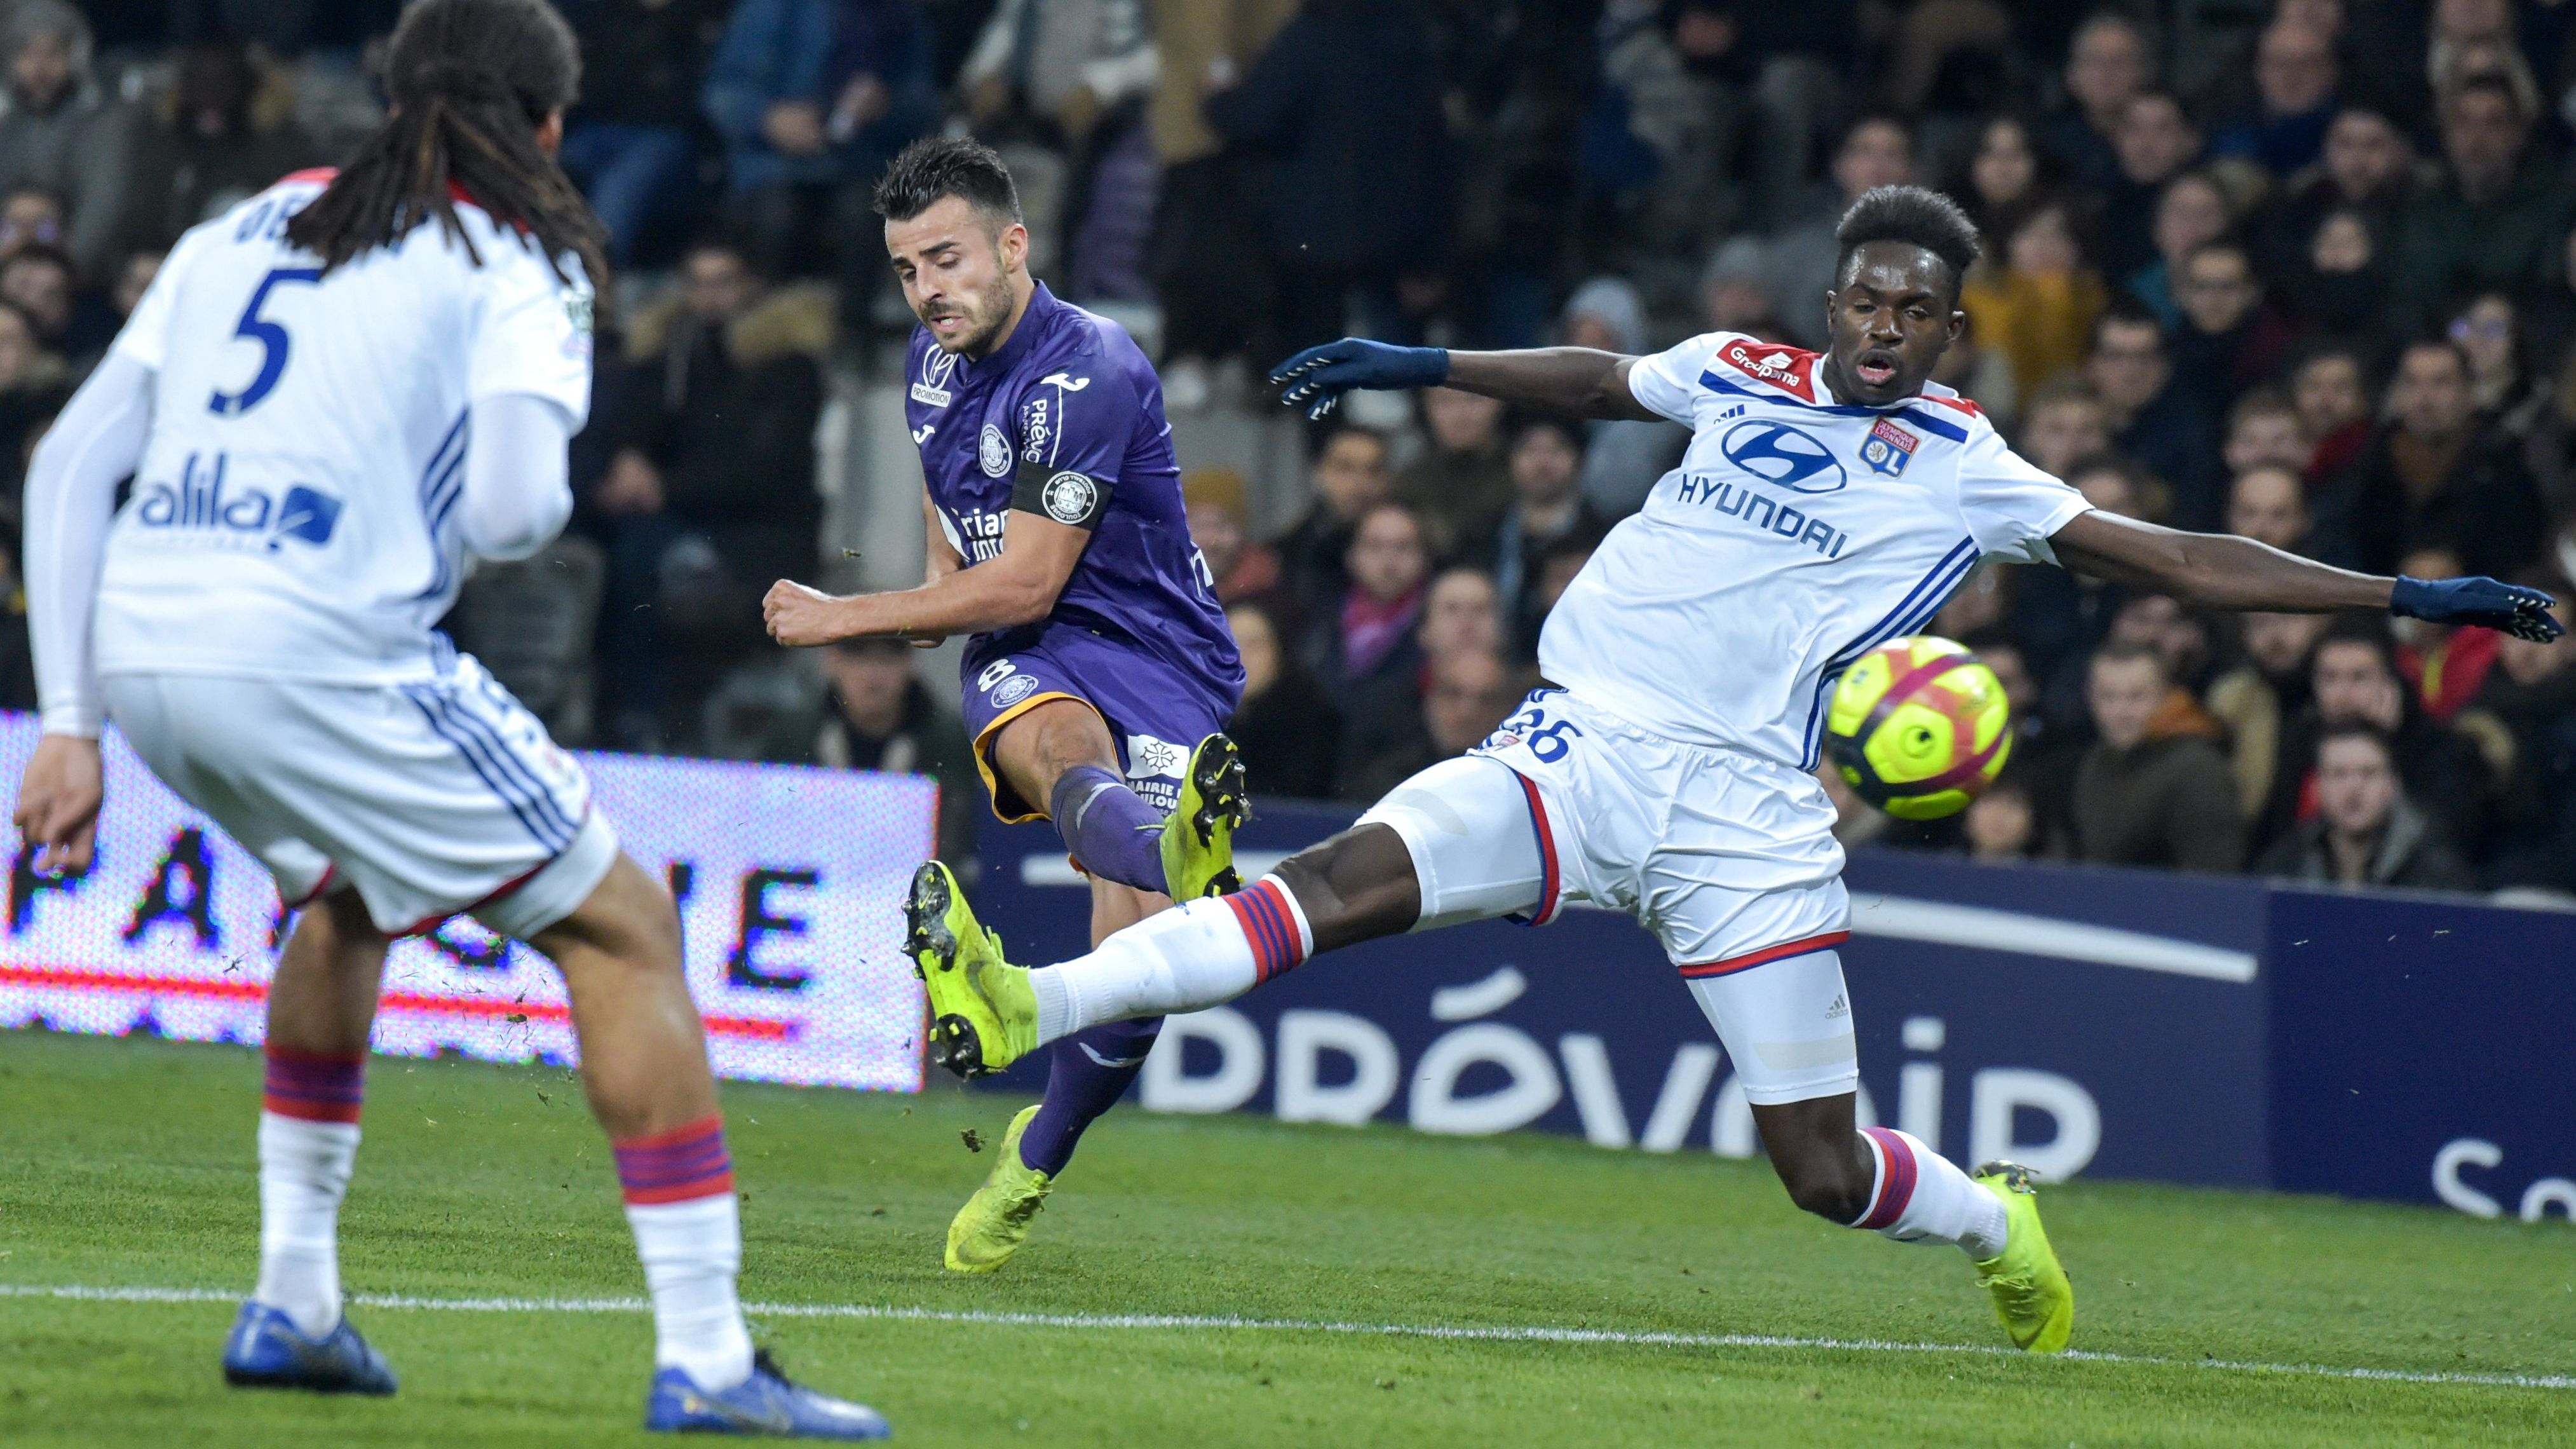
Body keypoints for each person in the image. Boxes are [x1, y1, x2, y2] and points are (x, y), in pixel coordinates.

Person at [897, 185, 2559, 1359]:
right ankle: (1029, 1001)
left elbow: (2181, 562)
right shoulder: (1742, 370)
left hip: (1741, 824)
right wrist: (1425, 368)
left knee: (1821, 1175)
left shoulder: (1966, 465)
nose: (1887, 327)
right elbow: (1597, 382)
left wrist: (2406, 595)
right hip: (1570, 745)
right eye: (1867, 299)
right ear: (1833, 298)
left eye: (1917, 310)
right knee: (1331, 891)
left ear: (1949, 325)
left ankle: (1995, 1229)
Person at [8, 0, 888, 1434]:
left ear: (384, 93)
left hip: (143, 646)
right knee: (624, 923)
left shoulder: (240, 226)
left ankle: (292, 1304)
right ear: (546, 127)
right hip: (321, 649)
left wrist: (69, 722)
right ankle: (713, 1359)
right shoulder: (514, 249)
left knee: (347, 900)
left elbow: (63, 471)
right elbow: (517, 504)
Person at [759, 137, 1247, 1277]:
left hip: (1163, 656)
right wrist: (910, 611)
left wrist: (840, 616)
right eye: (904, 269)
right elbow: (967, 592)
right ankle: (1175, 852)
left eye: (946, 258)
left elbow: (1025, 573)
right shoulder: (927, 374)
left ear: (1012, 246)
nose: (927, 290)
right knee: (1061, 745)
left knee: (1135, 964)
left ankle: (1032, 1151)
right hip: (1032, 647)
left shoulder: (1092, 372)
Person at [2070, 641, 2242, 873]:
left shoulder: (2198, 770)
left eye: (2137, 697)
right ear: (2089, 697)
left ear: (2166, 696)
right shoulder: (2096, 762)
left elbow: (2214, 874)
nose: (2121, 712)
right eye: (2108, 697)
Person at [2254, 723, 2478, 890]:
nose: (2354, 788)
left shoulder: (2439, 871)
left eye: (2369, 773)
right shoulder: (2286, 865)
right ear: (2317, 786)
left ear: (2393, 784)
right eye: (2339, 774)